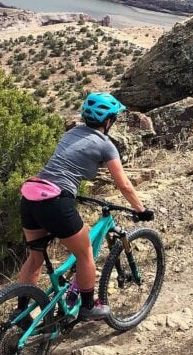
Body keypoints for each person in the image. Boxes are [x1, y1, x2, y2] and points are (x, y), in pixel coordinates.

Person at [17, 92, 153, 321]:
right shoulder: (105, 145)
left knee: (35, 258)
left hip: (31, 196)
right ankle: (88, 306)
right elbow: (124, 185)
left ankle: (21, 313)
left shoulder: (71, 132)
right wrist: (141, 210)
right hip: (55, 201)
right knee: (85, 252)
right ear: (108, 121)